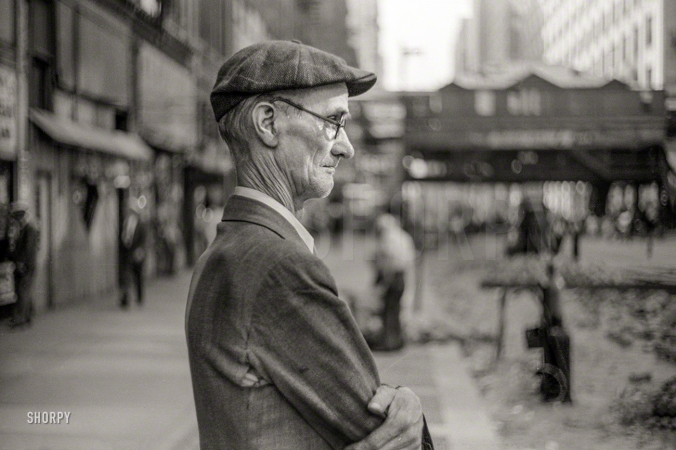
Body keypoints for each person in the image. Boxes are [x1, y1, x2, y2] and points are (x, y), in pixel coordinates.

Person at [185, 40, 433, 449]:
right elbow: (383, 431)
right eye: (333, 121)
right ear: (268, 124)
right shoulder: (280, 265)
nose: (346, 146)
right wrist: (410, 410)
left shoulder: (225, 252)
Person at [368, 213, 416, 352]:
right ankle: (396, 340)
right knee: (396, 309)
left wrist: (381, 281)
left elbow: (385, 262)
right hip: (402, 276)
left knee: (389, 309)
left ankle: (390, 342)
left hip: (392, 276)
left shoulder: (388, 239)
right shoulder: (404, 237)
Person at [8, 202, 39, 329]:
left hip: (26, 265)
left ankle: (21, 318)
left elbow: (29, 249)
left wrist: (21, 263)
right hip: (26, 264)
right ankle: (27, 316)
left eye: (16, 217)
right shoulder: (24, 229)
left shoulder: (29, 229)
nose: (15, 220)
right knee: (25, 291)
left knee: (22, 291)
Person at [119, 200, 148, 308]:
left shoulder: (141, 224)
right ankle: (125, 298)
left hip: (137, 253)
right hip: (127, 253)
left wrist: (141, 250)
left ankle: (139, 297)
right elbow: (124, 236)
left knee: (138, 276)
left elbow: (144, 239)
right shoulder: (125, 222)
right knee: (126, 276)